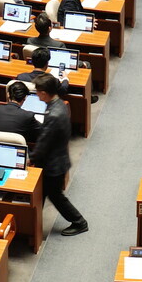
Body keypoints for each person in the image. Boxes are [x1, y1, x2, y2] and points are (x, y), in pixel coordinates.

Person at [31, 73, 87, 236]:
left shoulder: (54, 114)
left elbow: (44, 142)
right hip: (56, 159)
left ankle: (79, 222)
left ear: (44, 92)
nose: (36, 94)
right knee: (43, 194)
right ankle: (34, 224)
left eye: (38, 91)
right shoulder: (58, 104)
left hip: (53, 164)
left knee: (55, 196)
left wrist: (31, 158)